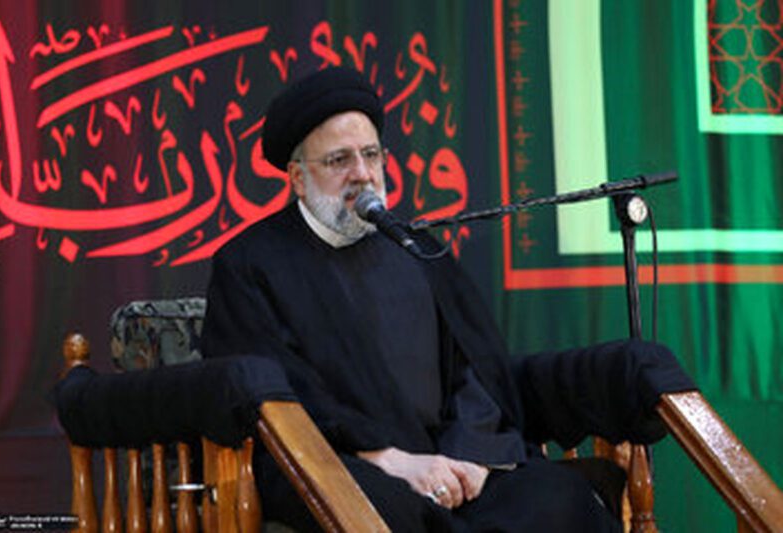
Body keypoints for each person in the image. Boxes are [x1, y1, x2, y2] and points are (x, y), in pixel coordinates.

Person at [201, 67, 693, 532]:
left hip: (449, 466)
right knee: (380, 510)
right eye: (338, 160)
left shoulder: (414, 248)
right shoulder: (250, 264)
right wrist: (386, 459)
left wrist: (471, 458)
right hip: (339, 465)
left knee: (557, 498)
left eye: (371, 155)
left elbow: (474, 373)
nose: (362, 174)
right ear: (297, 177)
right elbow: (270, 398)